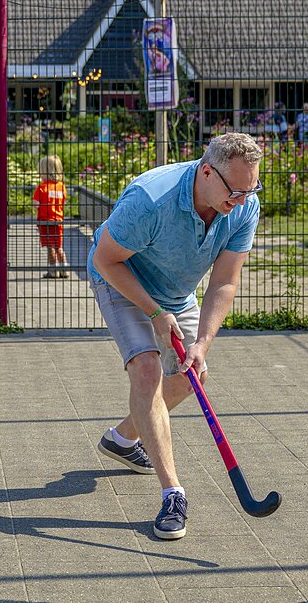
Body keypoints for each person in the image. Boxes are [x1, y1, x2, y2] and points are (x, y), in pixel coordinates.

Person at [88, 132, 263, 540]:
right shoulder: (152, 200)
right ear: (206, 172)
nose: (242, 200)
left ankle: (123, 438)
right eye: (235, 191)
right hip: (121, 280)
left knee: (193, 376)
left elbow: (224, 281)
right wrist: (154, 312)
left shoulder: (243, 205)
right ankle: (172, 493)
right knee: (146, 370)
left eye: (251, 189)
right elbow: (105, 259)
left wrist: (202, 343)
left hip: (177, 293)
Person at [33, 154, 68, 279]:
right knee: (59, 246)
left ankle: (53, 271)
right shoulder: (61, 187)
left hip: (45, 221)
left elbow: (36, 204)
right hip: (58, 221)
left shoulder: (41, 187)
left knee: (50, 247)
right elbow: (63, 201)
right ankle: (65, 269)